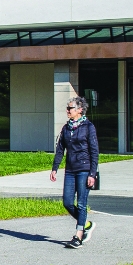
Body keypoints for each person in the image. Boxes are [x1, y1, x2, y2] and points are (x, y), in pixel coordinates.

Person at [49, 95, 99, 249]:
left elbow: (94, 151)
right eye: (67, 108)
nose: (67, 111)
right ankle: (86, 224)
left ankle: (78, 236)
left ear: (79, 110)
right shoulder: (66, 128)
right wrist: (55, 168)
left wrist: (92, 173)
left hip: (84, 169)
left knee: (82, 204)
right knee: (68, 202)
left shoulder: (88, 127)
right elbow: (60, 150)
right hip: (70, 170)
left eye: (70, 108)